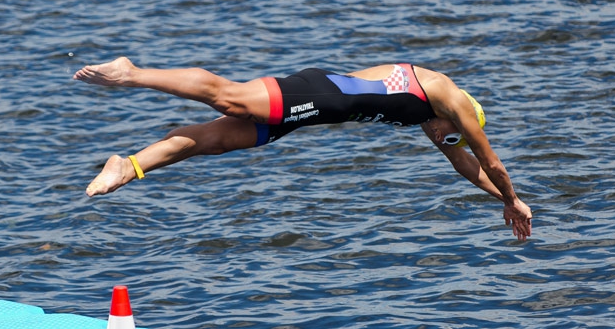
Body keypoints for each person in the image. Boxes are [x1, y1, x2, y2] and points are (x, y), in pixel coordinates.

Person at [73, 57, 533, 239]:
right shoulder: (447, 97)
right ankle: (131, 73)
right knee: (227, 95)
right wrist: (511, 195)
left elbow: (468, 168)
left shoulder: (436, 123)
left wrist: (510, 204)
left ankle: (129, 166)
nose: (442, 141)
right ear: (456, 118)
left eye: (447, 140)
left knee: (212, 141)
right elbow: (488, 160)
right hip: (314, 93)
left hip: (310, 114)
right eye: (447, 134)